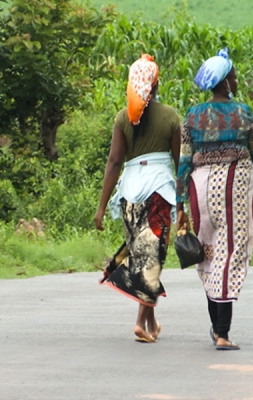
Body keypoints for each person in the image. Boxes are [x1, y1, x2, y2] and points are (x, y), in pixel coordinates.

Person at [176, 48, 253, 351]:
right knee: (229, 253)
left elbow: (183, 161)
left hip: (199, 190)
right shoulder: (243, 113)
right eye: (234, 75)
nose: (237, 79)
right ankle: (222, 332)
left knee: (207, 253)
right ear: (225, 82)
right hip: (233, 188)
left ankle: (216, 327)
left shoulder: (192, 115)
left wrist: (180, 202)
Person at [94, 54, 181, 343]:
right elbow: (180, 163)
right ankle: (140, 323)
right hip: (159, 191)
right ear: (156, 85)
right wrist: (183, 204)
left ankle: (151, 321)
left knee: (142, 255)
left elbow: (114, 161)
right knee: (152, 257)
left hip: (129, 192)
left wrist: (101, 206)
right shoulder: (169, 116)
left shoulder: (122, 117)